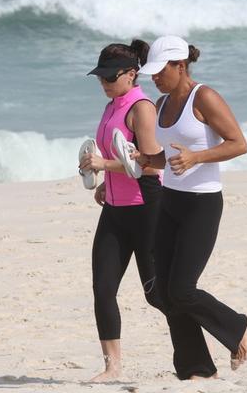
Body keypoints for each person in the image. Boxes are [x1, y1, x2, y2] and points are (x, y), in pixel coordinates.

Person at [135, 35, 247, 380]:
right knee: (167, 295)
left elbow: (239, 144)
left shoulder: (205, 97)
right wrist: (140, 159)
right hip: (170, 201)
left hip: (202, 204)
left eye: (160, 71)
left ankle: (236, 327)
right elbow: (165, 157)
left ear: (180, 66)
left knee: (183, 289)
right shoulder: (162, 102)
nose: (154, 78)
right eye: (151, 73)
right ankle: (197, 369)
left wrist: (197, 156)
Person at [79, 39, 165, 382]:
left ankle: (226, 333)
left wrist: (104, 164)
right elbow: (122, 159)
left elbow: (149, 165)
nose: (104, 83)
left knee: (157, 294)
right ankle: (112, 367)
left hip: (145, 207)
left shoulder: (141, 107)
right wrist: (103, 181)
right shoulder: (112, 104)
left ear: (131, 74)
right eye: (100, 77)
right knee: (103, 288)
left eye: (110, 77)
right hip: (114, 209)